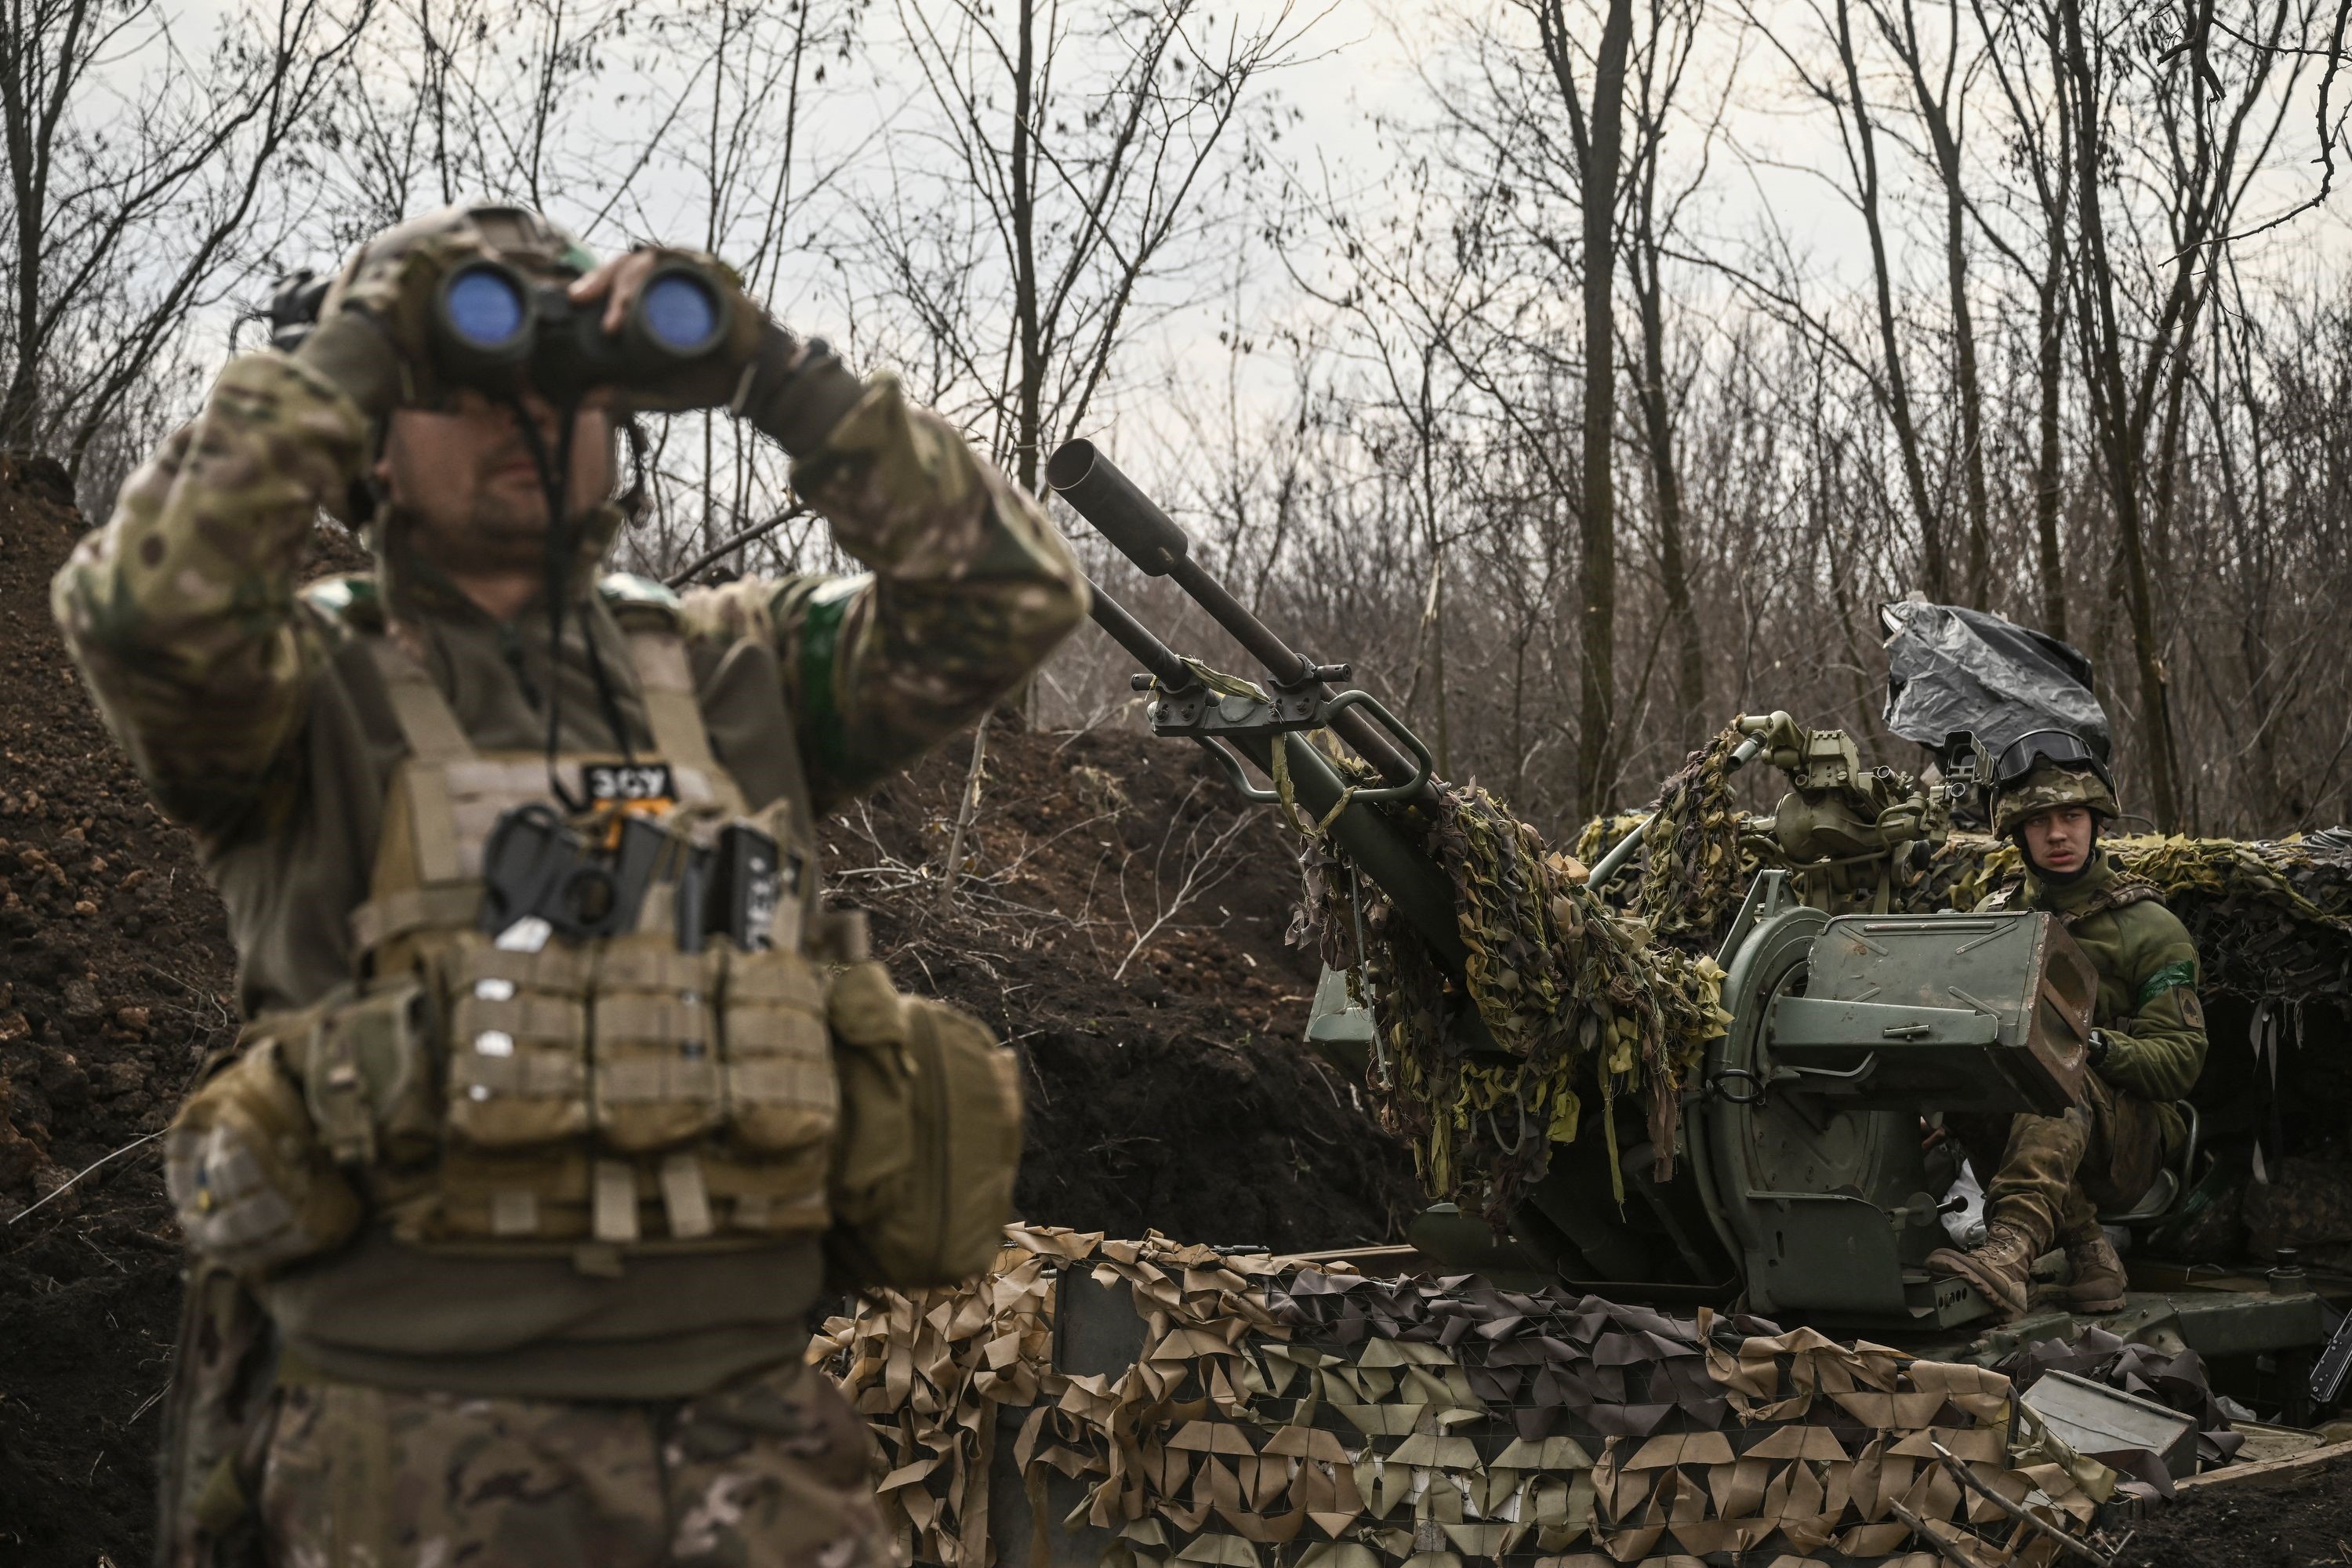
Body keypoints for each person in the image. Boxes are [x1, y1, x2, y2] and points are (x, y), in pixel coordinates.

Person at [53, 204, 1087, 1565]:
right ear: (369, 438)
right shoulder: (298, 693)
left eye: (560, 383)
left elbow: (1007, 592)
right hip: (411, 1447)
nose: (517, 417)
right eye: (460, 385)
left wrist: (771, 368)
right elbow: (140, 611)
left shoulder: (736, 672)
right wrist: (366, 340)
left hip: (753, 1440)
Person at [1926, 731, 2209, 1319]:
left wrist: (2091, 1046)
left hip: (2127, 1146)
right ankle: (2090, 1255)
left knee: (2059, 1070)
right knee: (1972, 1081)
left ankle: (2011, 1252)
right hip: (2029, 1129)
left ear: (2095, 821)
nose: (2058, 834)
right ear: (2018, 833)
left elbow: (2181, 1061)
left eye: (2072, 815)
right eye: (2040, 821)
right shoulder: (1997, 923)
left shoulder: (2150, 927)